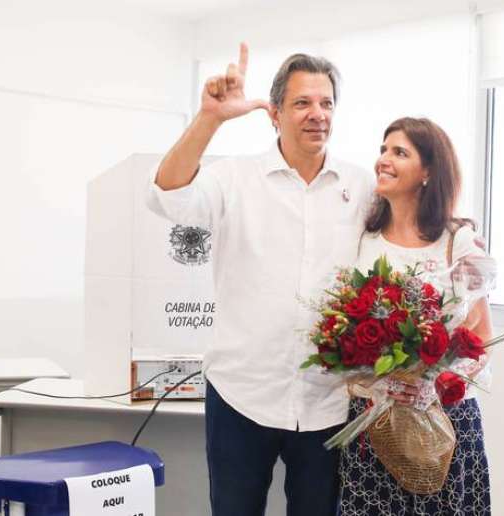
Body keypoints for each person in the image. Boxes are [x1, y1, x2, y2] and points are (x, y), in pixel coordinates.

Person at [145, 43, 375, 516]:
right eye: (302, 103)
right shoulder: (233, 178)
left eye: (326, 103)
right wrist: (209, 118)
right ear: (273, 113)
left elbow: (411, 232)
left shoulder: (361, 188)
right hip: (242, 395)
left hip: (327, 401)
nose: (318, 114)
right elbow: (166, 195)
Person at [338, 117, 494, 515]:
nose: (383, 160)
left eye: (399, 152)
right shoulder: (362, 238)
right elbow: (343, 332)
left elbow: (482, 340)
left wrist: (433, 385)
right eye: (383, 149)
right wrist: (377, 377)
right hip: (372, 422)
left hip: (443, 421)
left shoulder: (457, 241)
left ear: (428, 171)